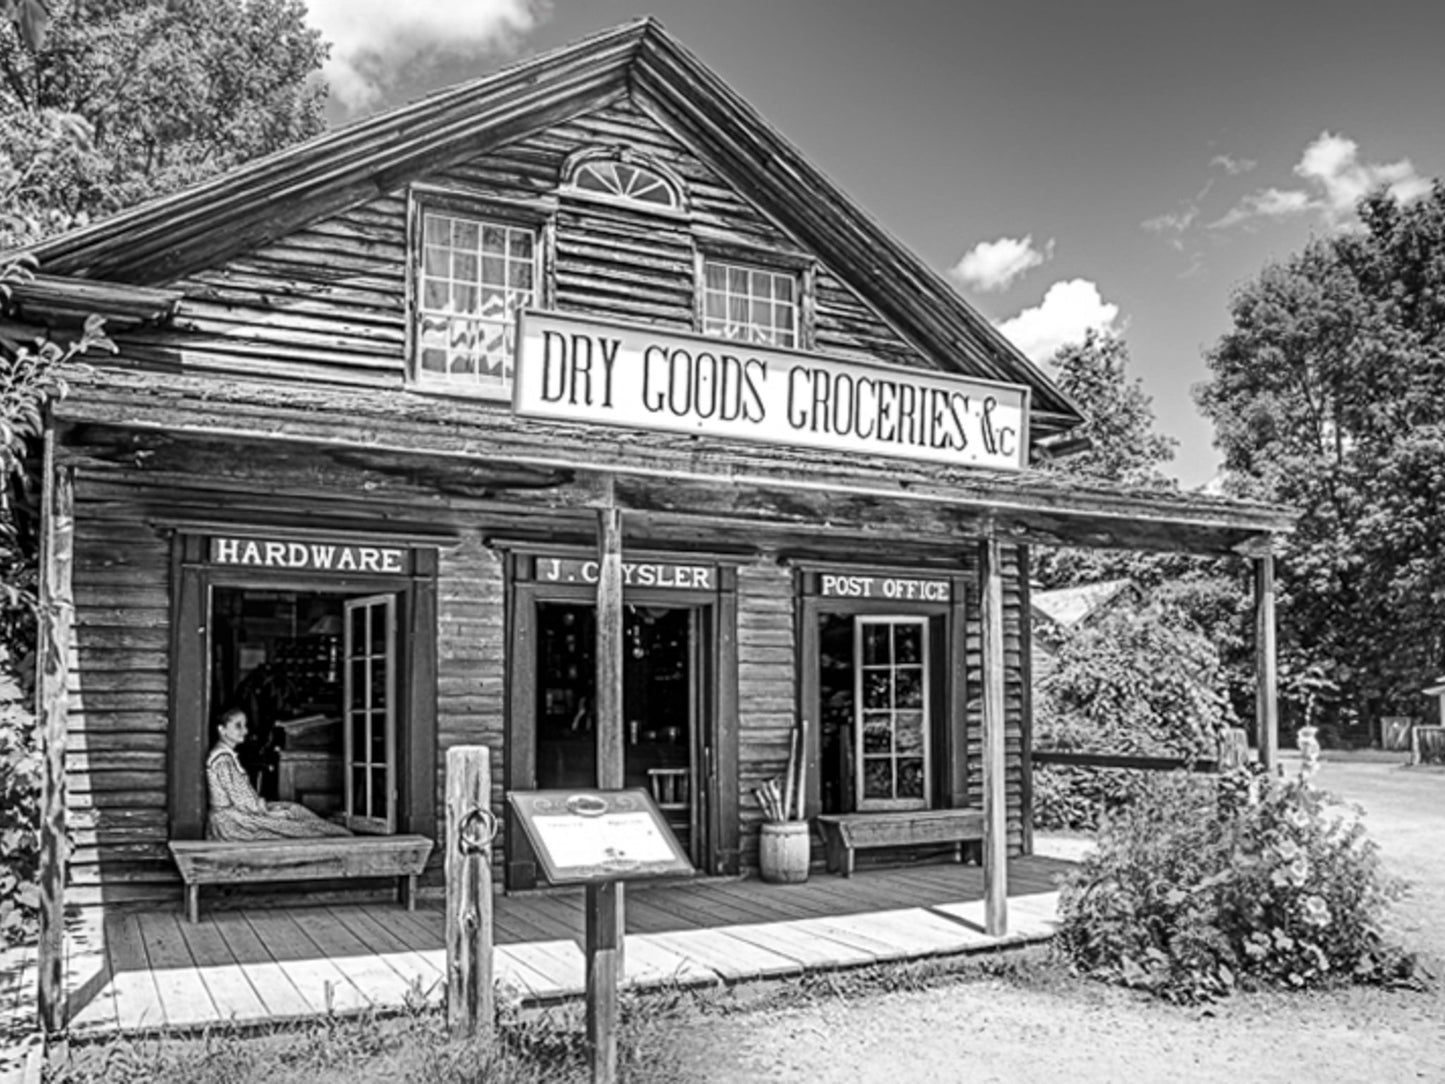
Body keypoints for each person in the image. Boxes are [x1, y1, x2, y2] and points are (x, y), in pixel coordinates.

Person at [206, 707, 352, 841]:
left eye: (244, 726)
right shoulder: (222, 760)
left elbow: (245, 799)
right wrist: (268, 812)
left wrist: (263, 807)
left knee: (294, 810)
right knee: (296, 825)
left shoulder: (227, 757)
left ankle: (339, 834)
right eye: (238, 726)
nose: (245, 731)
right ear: (222, 729)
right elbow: (243, 802)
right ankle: (341, 837)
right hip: (232, 823)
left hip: (242, 813)